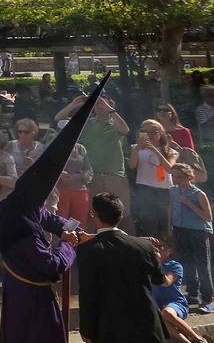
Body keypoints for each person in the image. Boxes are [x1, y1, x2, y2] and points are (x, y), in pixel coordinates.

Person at [0, 82, 102, 343]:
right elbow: (52, 266)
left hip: (17, 293)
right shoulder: (25, 235)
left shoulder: (22, 206)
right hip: (33, 302)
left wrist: (69, 227)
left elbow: (48, 217)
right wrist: (69, 244)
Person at [76, 192, 166, 343]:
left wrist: (87, 329)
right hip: (145, 322)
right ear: (122, 214)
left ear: (94, 214)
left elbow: (88, 294)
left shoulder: (88, 250)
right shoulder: (144, 246)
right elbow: (158, 278)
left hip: (108, 326)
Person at [59, 92, 131, 231]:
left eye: (103, 103)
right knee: (93, 215)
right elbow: (59, 119)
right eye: (97, 103)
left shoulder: (115, 124)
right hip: (92, 177)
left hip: (115, 176)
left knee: (121, 215)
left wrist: (107, 106)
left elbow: (125, 129)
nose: (99, 105)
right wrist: (73, 105)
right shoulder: (87, 123)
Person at [152, 237, 212, 343]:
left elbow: (166, 282)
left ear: (169, 250)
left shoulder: (174, 265)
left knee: (166, 313)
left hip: (176, 304)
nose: (157, 250)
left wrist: (156, 264)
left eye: (162, 247)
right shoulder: (148, 267)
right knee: (160, 316)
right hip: (160, 308)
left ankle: (198, 340)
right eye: (154, 248)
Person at [169, 163, 213, 314]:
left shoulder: (198, 194)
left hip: (198, 231)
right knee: (187, 264)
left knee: (202, 265)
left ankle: (208, 299)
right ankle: (193, 294)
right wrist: (170, 227)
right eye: (173, 176)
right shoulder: (173, 191)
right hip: (180, 230)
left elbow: (208, 217)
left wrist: (189, 203)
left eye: (179, 177)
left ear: (189, 177)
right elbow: (171, 208)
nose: (176, 180)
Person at [130, 120, 176, 239]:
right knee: (147, 221)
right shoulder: (136, 148)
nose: (149, 135)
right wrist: (138, 148)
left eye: (152, 132)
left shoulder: (170, 151)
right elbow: (131, 165)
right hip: (145, 187)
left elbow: (169, 169)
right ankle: (149, 246)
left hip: (164, 189)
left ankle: (165, 249)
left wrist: (155, 150)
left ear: (160, 133)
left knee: (164, 221)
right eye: (145, 131)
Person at [55, 139, 93, 226]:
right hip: (60, 191)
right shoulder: (56, 146)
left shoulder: (81, 148)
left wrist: (77, 176)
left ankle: (76, 239)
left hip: (79, 191)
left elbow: (89, 171)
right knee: (61, 221)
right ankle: (62, 239)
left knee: (78, 222)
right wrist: (60, 173)